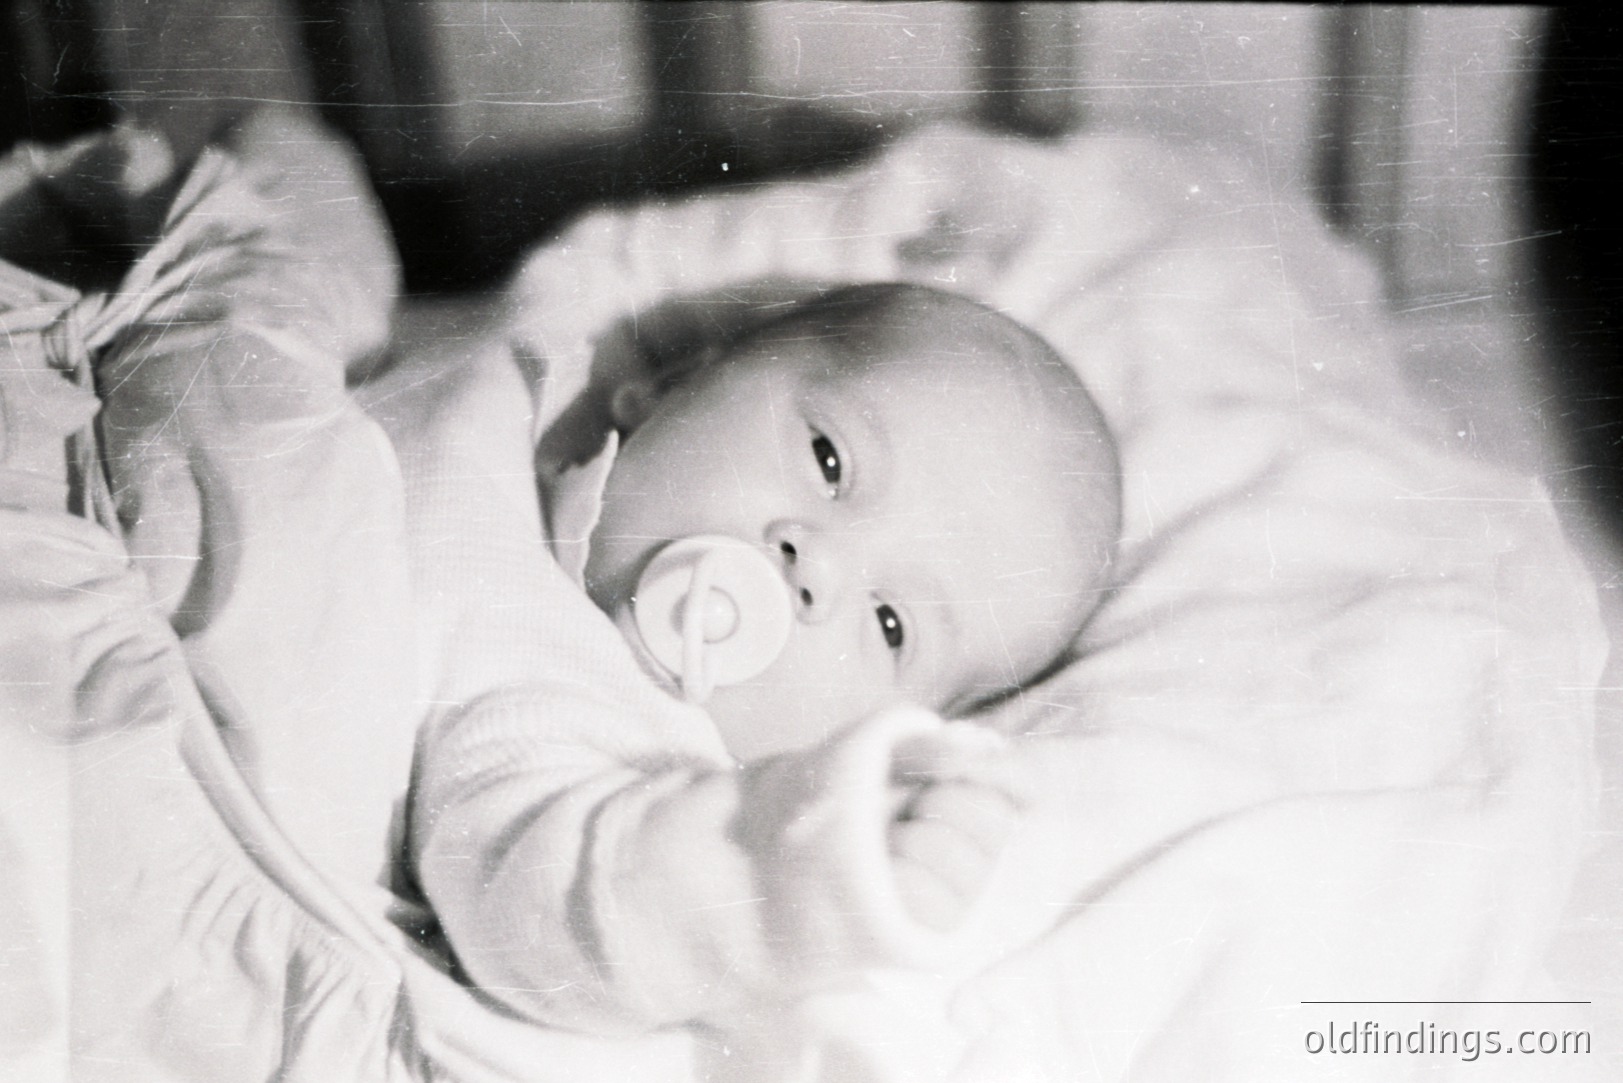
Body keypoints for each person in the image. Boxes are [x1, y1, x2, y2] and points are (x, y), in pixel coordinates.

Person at [406, 282, 1123, 1039]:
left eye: (888, 624)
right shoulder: (494, 392)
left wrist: (781, 866)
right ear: (677, 382)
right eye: (828, 458)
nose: (816, 567)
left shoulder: (640, 772)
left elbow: (537, 915)